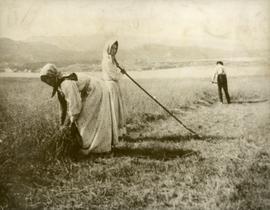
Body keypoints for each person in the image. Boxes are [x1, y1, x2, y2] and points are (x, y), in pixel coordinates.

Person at [40, 63, 121, 154]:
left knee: (86, 119)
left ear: (53, 76)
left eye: (48, 79)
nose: (48, 82)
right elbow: (63, 107)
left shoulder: (66, 83)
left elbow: (75, 105)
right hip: (90, 90)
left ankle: (95, 147)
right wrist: (61, 125)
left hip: (95, 89)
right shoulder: (59, 84)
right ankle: (93, 145)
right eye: (45, 81)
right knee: (84, 120)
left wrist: (70, 122)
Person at [102, 39, 127, 140]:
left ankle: (118, 133)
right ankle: (113, 134)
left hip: (115, 86)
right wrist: (121, 73)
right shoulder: (107, 61)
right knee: (113, 110)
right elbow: (114, 76)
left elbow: (116, 74)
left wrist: (120, 69)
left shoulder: (113, 61)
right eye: (112, 47)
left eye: (115, 48)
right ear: (108, 48)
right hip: (110, 87)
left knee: (118, 109)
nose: (114, 50)